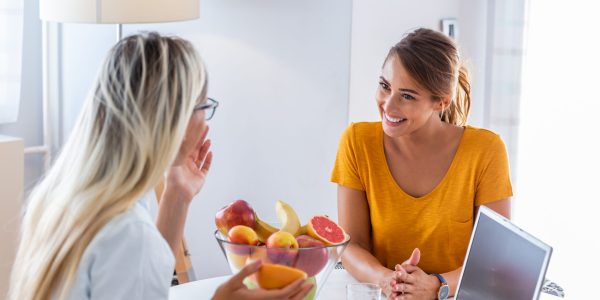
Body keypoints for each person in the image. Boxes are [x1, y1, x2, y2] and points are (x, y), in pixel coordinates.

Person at [9, 33, 312, 300]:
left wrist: (177, 196)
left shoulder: (64, 198)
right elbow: (137, 259)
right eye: (204, 107)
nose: (205, 123)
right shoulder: (128, 234)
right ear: (172, 119)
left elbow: (145, 283)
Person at [331, 28, 512, 300]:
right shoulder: (357, 142)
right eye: (384, 86)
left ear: (441, 101)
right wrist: (386, 279)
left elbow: (493, 260)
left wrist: (437, 286)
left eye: (407, 96)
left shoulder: (486, 151)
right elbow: (349, 245)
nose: (387, 106)